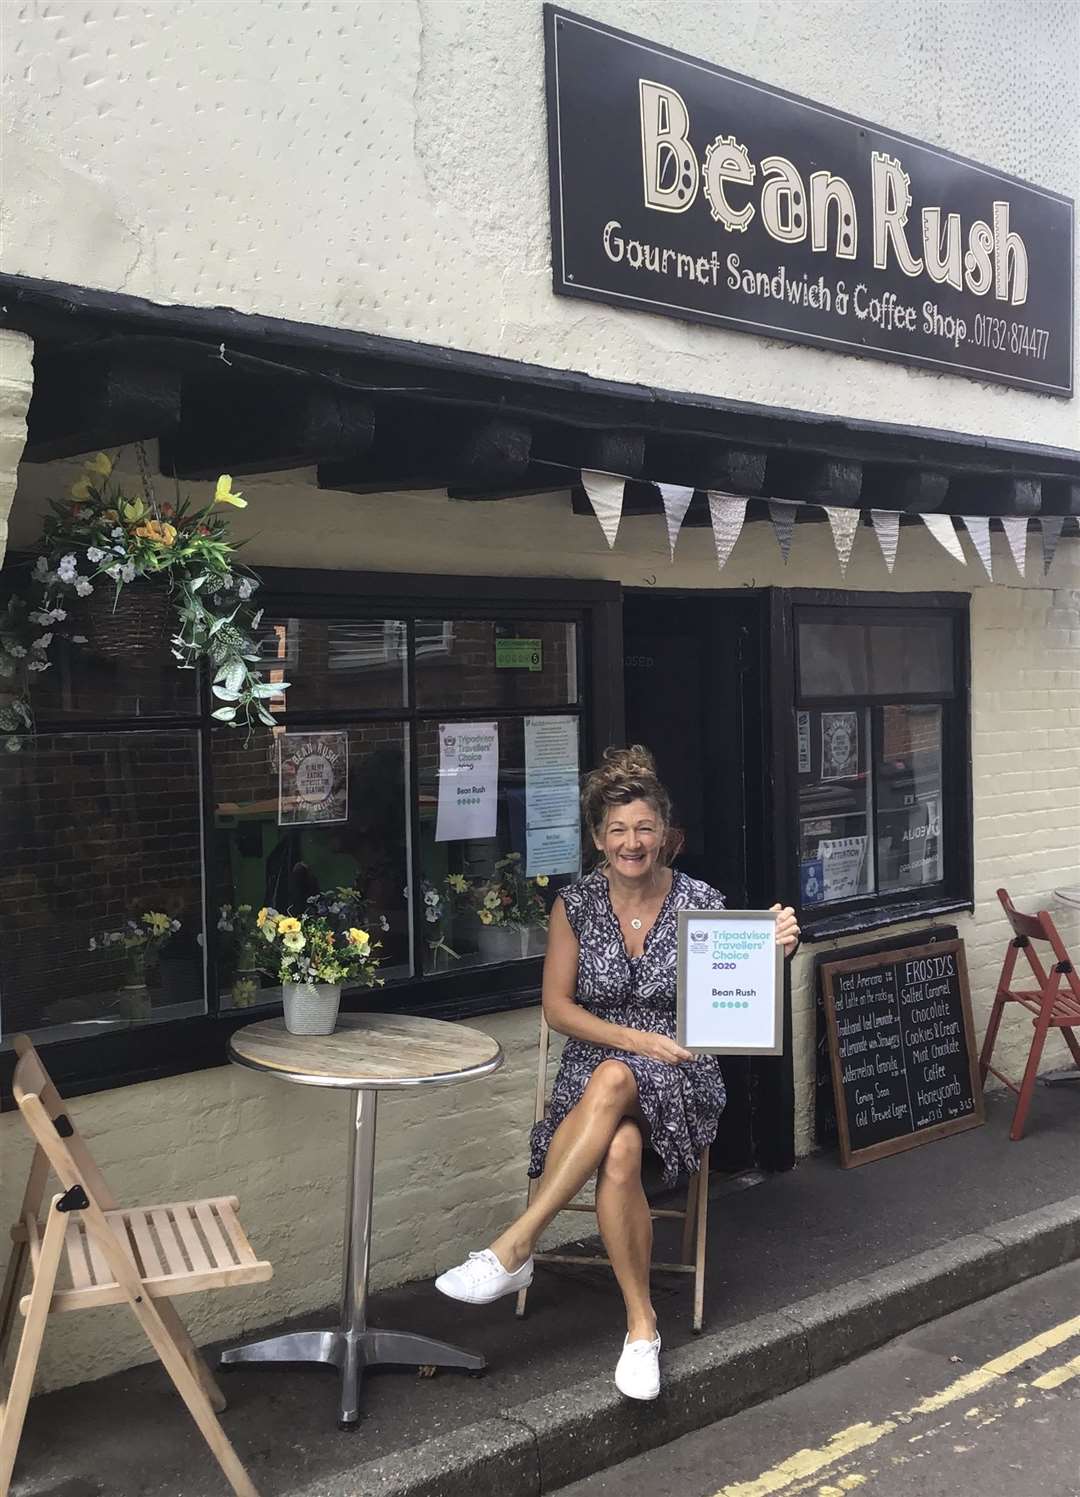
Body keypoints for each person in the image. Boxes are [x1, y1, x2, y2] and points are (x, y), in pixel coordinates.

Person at [435, 746, 800, 1401]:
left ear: (665, 833)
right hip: (595, 1079)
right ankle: (642, 1327)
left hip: (681, 1078)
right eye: (618, 830)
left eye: (644, 828)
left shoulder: (701, 900)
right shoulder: (574, 905)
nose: (632, 842)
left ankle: (516, 1247)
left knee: (614, 1080)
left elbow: (737, 985)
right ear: (598, 838)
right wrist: (634, 1039)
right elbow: (557, 1007)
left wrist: (775, 944)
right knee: (621, 1143)